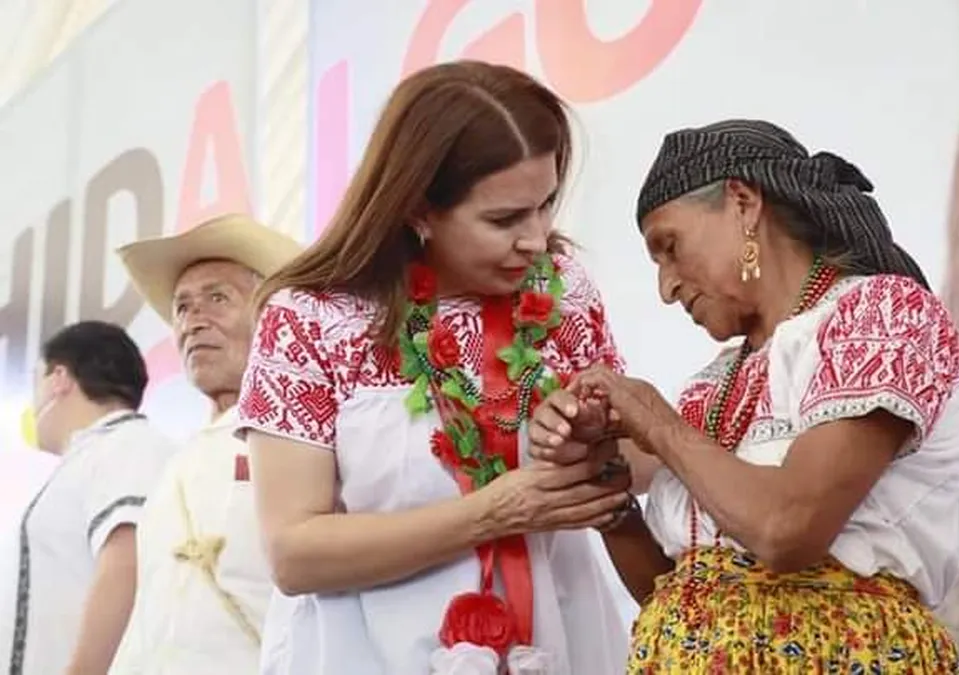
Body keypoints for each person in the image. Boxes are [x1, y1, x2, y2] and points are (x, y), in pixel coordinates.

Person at [529, 120, 959, 673]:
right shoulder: (714, 384)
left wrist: (657, 423)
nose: (666, 287)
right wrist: (604, 485)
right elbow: (681, 593)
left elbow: (786, 529)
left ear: (743, 204)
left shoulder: (881, 317)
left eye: (670, 247)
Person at [234, 61, 631, 675]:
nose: (535, 238)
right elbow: (294, 553)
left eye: (545, 204)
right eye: (504, 219)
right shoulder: (312, 319)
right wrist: (493, 513)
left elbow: (638, 470)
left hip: (562, 642)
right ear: (418, 209)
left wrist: (594, 436)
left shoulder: (564, 289)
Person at [107, 214, 304, 674]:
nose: (194, 321)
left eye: (218, 298)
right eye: (182, 307)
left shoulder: (306, 435)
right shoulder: (174, 465)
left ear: (271, 315)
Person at [0, 321, 174, 675]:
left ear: (59, 378)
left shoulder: (128, 444)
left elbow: (127, 559)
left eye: (38, 381)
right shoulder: (94, 453)